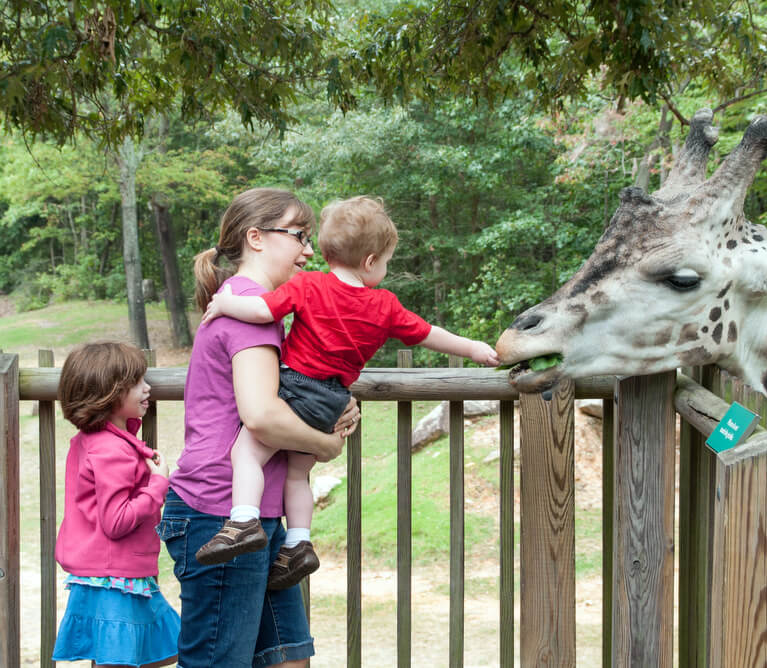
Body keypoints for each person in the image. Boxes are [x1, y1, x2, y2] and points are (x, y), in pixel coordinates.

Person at [196, 195, 499, 586]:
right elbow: (428, 334)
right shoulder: (386, 306)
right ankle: (300, 542)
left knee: (246, 452)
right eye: (387, 262)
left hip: (296, 387)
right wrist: (474, 347)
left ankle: (242, 521)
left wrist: (225, 303)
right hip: (332, 399)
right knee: (298, 474)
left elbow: (259, 312)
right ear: (371, 261)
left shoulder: (309, 285)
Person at [161, 188, 360, 667]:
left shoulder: (260, 307)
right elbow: (261, 415)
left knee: (288, 658)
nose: (309, 251)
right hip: (218, 512)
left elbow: (292, 387)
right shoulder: (248, 307)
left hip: (257, 518)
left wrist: (336, 403)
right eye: (299, 236)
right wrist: (327, 444)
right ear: (256, 238)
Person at [51, 341, 180, 668]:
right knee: (129, 660)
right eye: (137, 383)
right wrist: (158, 484)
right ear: (109, 393)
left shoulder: (93, 441)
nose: (148, 388)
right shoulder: (113, 450)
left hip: (111, 575)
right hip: (115, 578)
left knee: (159, 651)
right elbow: (116, 519)